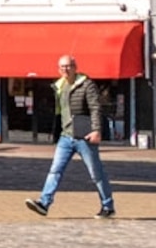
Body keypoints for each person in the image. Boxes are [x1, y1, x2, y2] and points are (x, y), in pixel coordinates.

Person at [26, 56, 115, 219]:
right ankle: (44, 203)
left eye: (68, 66)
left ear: (75, 67)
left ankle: (107, 205)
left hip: (84, 136)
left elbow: (95, 108)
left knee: (96, 173)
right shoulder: (59, 86)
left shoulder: (87, 85)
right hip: (65, 137)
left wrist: (96, 130)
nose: (65, 69)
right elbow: (61, 111)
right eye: (62, 67)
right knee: (55, 170)